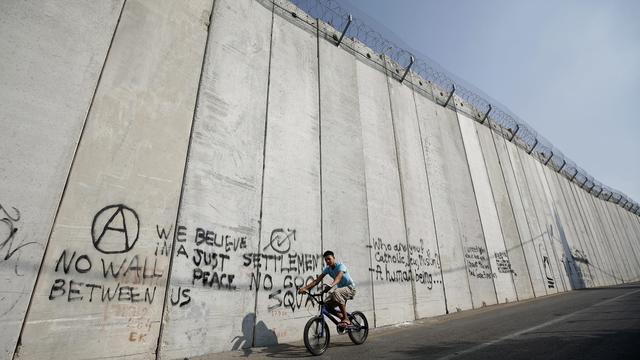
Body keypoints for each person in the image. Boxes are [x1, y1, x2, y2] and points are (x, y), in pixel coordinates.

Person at [298, 250, 356, 327]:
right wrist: (305, 288)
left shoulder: (341, 266)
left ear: (334, 258)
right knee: (326, 306)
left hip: (350, 288)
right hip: (341, 290)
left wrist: (330, 285)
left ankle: (346, 319)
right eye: (326, 260)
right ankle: (342, 317)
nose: (327, 261)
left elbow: (338, 278)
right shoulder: (327, 269)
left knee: (336, 292)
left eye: (329, 259)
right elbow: (316, 281)